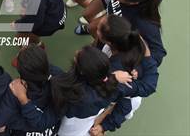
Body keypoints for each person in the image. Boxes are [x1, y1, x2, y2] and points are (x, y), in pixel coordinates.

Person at [10, 45, 159, 136]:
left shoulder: (72, 94)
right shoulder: (114, 84)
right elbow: (148, 87)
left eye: (77, 57)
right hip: (88, 117)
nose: (76, 52)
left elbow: (42, 122)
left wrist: (24, 99)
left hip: (73, 127)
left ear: (81, 72)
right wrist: (147, 57)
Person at [90, 15, 150, 134]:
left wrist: (104, 126)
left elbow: (124, 106)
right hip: (114, 93)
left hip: (122, 102)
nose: (95, 26)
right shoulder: (117, 45)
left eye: (98, 28)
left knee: (93, 128)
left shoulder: (122, 73)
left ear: (108, 40)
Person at [108, 0, 166, 66]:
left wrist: (139, 68)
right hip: (110, 37)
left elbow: (158, 53)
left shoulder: (144, 24)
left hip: (120, 51)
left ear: (133, 2)